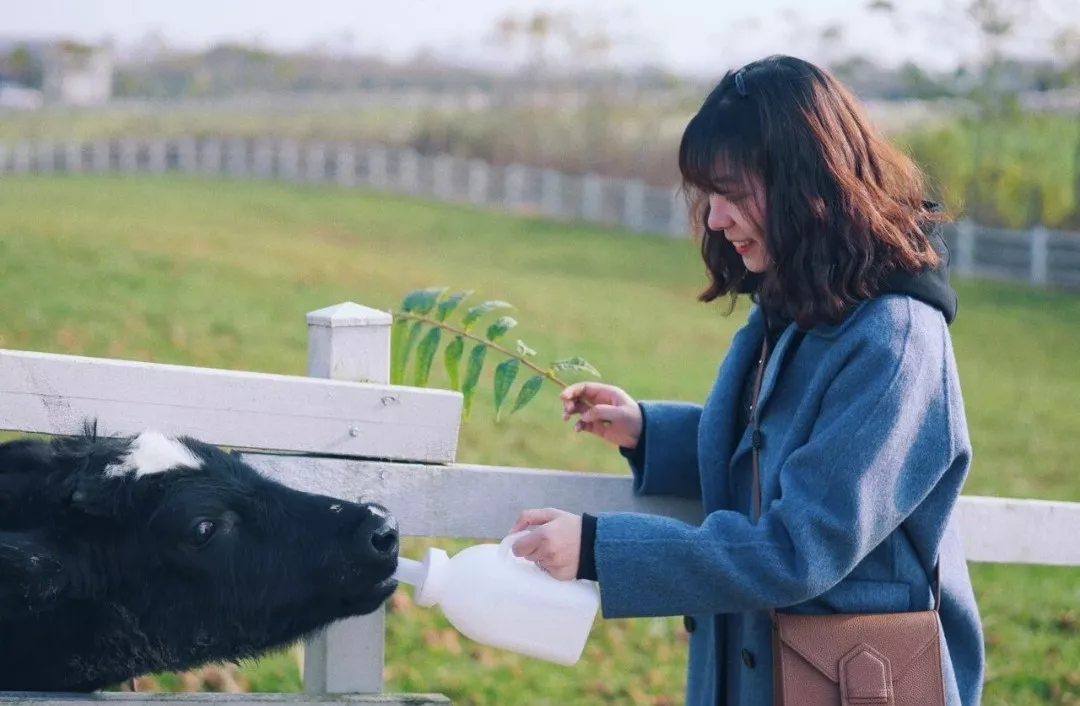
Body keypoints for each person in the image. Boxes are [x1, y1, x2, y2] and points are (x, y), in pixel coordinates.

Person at [508, 54, 985, 706]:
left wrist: (598, 549)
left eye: (732, 194)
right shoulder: (799, 304)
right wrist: (651, 434)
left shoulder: (895, 342)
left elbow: (796, 549)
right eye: (709, 196)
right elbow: (778, 447)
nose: (713, 220)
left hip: (850, 684)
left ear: (805, 182)